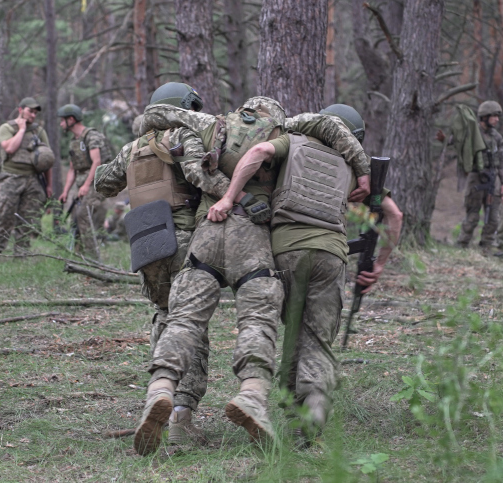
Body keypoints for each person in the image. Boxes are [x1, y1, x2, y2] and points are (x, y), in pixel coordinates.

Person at [132, 95, 372, 454]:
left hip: (207, 232)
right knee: (258, 320)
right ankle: (252, 395)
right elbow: (329, 126)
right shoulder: (286, 133)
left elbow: (153, 114)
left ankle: (162, 389)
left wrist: (222, 191)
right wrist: (363, 169)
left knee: (183, 319)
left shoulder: (210, 125)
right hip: (253, 237)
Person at [236, 104, 401, 444]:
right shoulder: (357, 167)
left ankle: (291, 408)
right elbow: (394, 216)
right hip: (330, 255)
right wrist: (380, 264)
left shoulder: (290, 143)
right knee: (318, 337)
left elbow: (259, 152)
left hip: (285, 253)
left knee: (295, 330)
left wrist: (229, 194)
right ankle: (312, 408)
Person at [96, 82, 246, 453]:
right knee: (188, 324)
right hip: (181, 238)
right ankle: (180, 415)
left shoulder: (134, 147)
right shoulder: (181, 135)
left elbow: (102, 183)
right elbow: (199, 175)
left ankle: (156, 397)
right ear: (185, 107)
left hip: (145, 242)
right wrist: (235, 195)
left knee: (164, 316)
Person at [0, 97, 53, 258]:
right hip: (11, 177)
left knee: (27, 220)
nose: (33, 115)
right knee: (4, 217)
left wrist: (49, 185)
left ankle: (21, 255)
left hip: (33, 180)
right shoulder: (7, 128)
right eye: (30, 111)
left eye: (35, 113)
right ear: (21, 110)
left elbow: (47, 159)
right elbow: (9, 148)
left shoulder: (39, 131)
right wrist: (22, 129)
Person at [58, 104, 111, 259]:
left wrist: (87, 185)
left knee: (84, 218)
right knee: (76, 220)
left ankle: (94, 260)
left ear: (71, 120)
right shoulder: (74, 141)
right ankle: (80, 258)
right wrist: (66, 191)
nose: (61, 124)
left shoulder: (91, 136)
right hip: (82, 184)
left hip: (96, 183)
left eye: (63, 120)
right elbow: (72, 169)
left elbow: (97, 162)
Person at [452, 101, 503, 254]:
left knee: (493, 217)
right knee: (472, 216)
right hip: (476, 179)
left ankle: (486, 246)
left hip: (493, 179)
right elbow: (456, 141)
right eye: (494, 116)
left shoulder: (497, 137)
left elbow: (501, 162)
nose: (497, 119)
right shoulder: (472, 133)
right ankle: (461, 246)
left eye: (497, 116)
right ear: (484, 117)